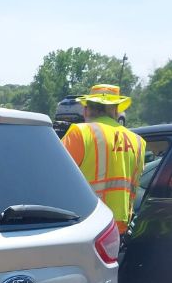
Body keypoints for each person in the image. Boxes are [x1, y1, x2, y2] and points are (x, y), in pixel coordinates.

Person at [61, 84, 146, 234]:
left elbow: (55, 176)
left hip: (86, 224)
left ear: (86, 109)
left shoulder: (80, 133)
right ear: (115, 110)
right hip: (119, 227)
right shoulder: (138, 141)